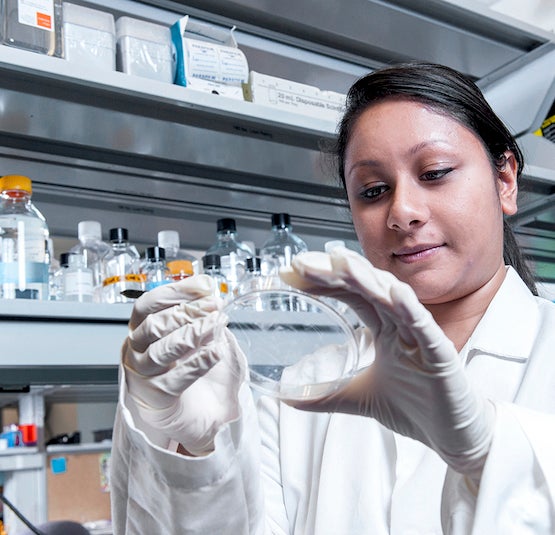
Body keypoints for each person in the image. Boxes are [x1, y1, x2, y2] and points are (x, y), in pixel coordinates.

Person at [110, 63, 555, 534]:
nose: (402, 212)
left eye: (436, 172)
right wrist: (194, 455)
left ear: (505, 180)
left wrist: (488, 446)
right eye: (373, 190)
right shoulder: (306, 388)